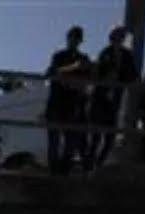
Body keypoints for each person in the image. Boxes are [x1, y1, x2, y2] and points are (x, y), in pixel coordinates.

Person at [86, 25, 137, 171]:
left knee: (109, 138)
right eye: (116, 36)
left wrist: (121, 79)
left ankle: (98, 165)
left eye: (121, 37)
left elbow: (132, 74)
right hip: (100, 98)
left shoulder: (126, 55)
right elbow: (98, 72)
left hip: (115, 99)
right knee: (95, 136)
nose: (118, 39)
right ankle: (89, 166)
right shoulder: (105, 53)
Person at [44, 26, 91, 176]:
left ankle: (62, 174)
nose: (74, 41)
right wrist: (73, 68)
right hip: (56, 104)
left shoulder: (84, 59)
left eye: (77, 38)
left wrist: (69, 80)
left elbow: (85, 82)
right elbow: (52, 73)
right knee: (54, 143)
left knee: (70, 145)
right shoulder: (59, 56)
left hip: (72, 107)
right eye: (72, 37)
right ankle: (54, 174)